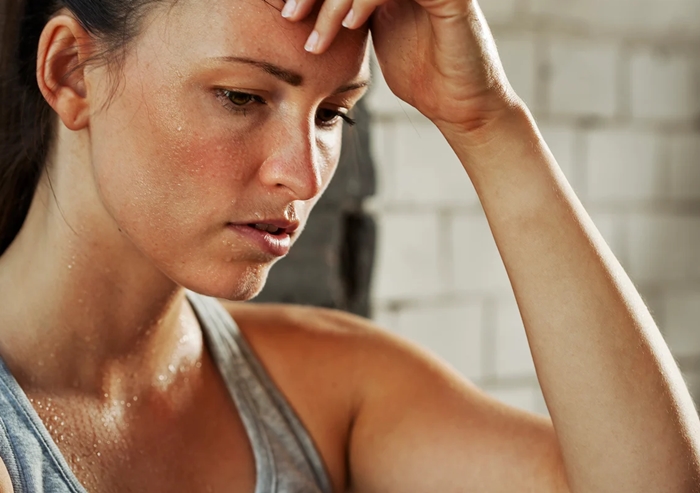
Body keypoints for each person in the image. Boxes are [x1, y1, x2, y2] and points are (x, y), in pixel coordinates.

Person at [0, 0, 698, 491]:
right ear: (70, 72)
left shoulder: (328, 389)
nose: (303, 175)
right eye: (242, 96)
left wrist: (485, 120)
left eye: (333, 114)